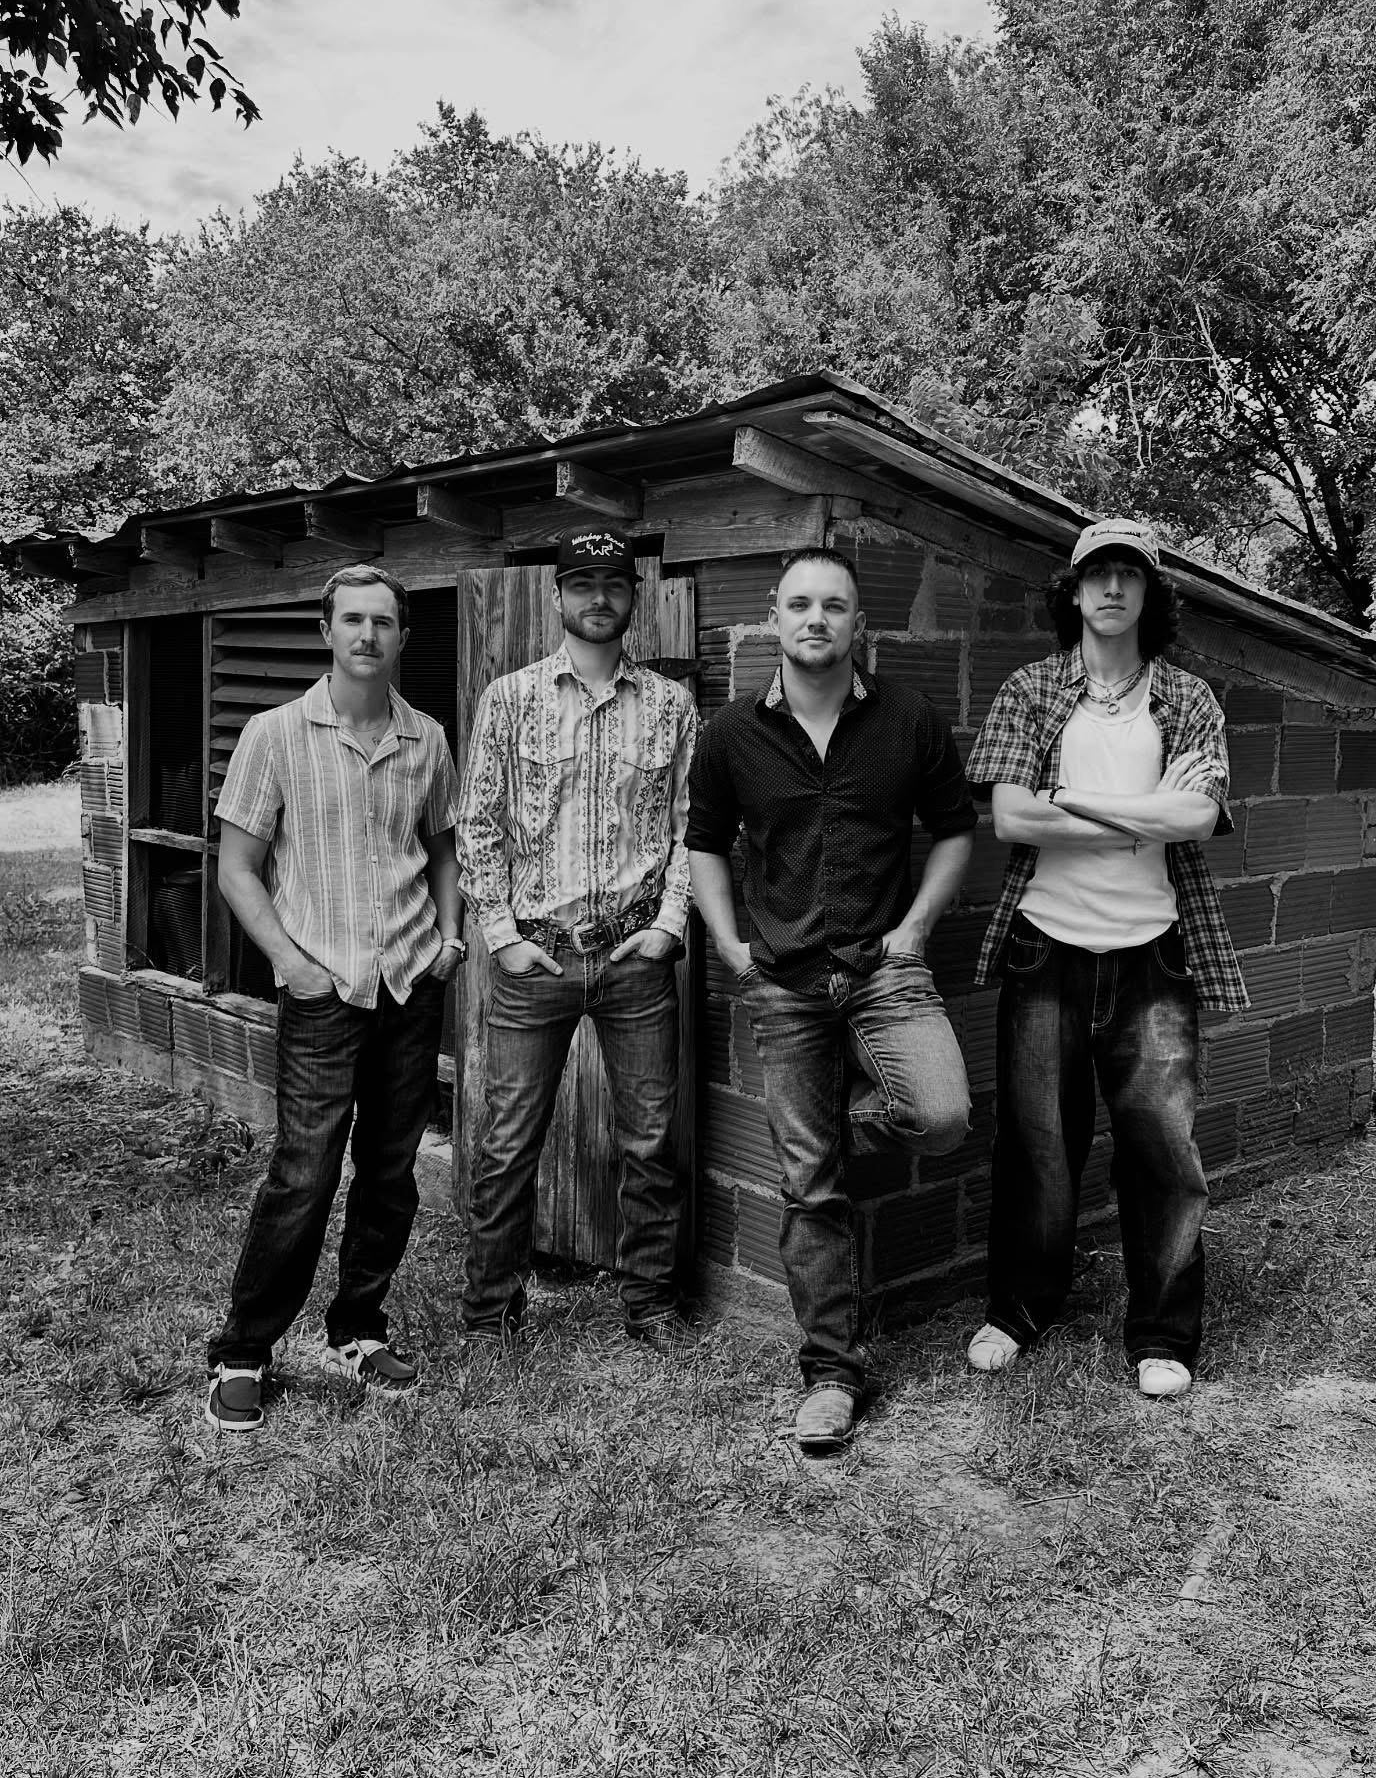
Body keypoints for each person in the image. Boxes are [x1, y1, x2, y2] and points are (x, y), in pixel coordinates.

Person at [687, 545, 975, 1454]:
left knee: (941, 1117)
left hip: (886, 969)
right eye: (801, 604)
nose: (816, 619)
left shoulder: (909, 719)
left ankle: (831, 1128)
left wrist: (917, 928)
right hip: (782, 982)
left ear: (859, 623)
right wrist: (730, 944)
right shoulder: (730, 734)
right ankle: (832, 1375)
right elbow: (703, 843)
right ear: (775, 617)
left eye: (835, 606)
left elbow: (957, 830)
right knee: (809, 1188)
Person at [964, 518, 1249, 1399]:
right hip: (1044, 946)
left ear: (1151, 594)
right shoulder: (1031, 688)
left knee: (1162, 1150)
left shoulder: (1188, 697)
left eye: (1131, 574)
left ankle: (1162, 1332)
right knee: (1037, 1144)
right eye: (1098, 574)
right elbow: (1012, 817)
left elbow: (1197, 818)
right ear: (1075, 590)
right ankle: (1020, 1309)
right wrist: (1141, 811)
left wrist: (1071, 797)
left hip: (1153, 953)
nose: (1113, 587)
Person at [204, 564, 464, 1433]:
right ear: (326, 630)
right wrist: (292, 963)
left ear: (402, 636)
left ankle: (357, 1327)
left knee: (390, 1170)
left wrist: (449, 940)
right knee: (305, 1171)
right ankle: (244, 1350)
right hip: (323, 989)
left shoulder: (426, 738)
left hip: (408, 982)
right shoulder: (274, 735)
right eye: (351, 619)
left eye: (382, 622)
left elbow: (442, 849)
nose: (367, 635)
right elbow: (237, 868)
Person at [457, 525, 698, 1354]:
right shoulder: (510, 698)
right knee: (507, 1140)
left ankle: (651, 1304)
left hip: (635, 958)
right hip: (536, 956)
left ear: (635, 598)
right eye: (584, 584)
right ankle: (490, 1310)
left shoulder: (669, 705)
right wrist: (501, 935)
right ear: (558, 596)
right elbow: (477, 825)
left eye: (615, 585)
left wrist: (669, 925)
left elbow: (693, 826)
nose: (600, 598)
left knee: (651, 1141)